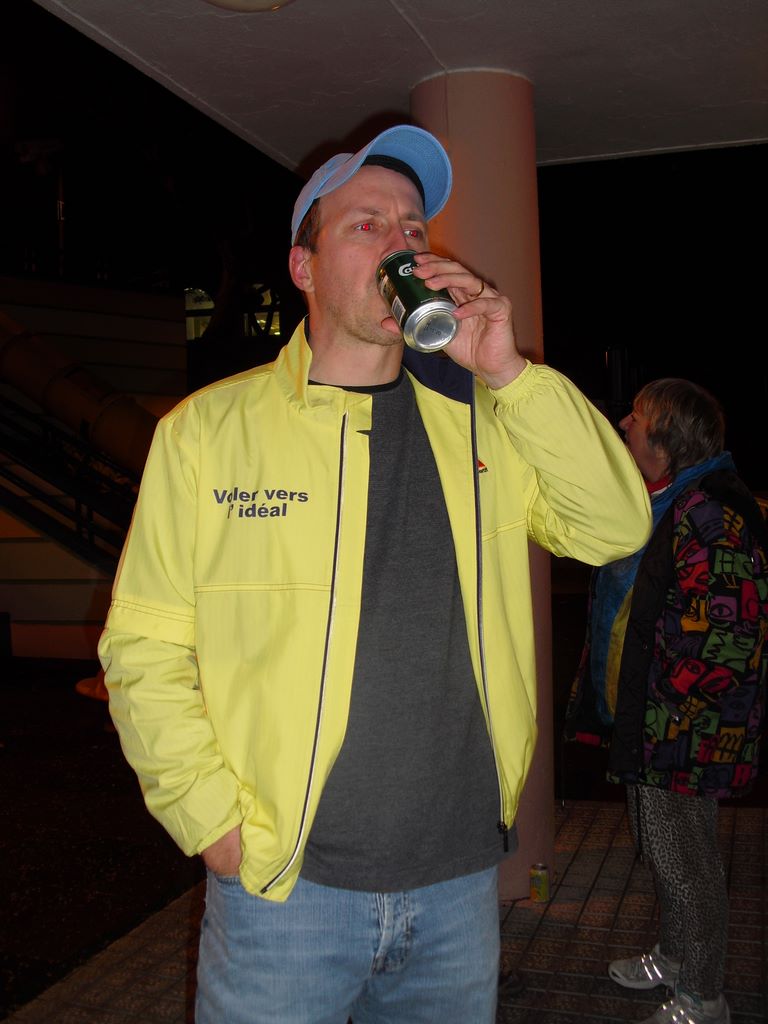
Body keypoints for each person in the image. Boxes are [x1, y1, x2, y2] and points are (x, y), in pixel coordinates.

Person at [99, 123, 651, 1024]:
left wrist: (510, 372)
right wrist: (216, 827)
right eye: (367, 225)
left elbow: (616, 526)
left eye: (413, 229)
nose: (402, 245)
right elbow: (143, 648)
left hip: (457, 885)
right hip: (285, 890)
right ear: (304, 266)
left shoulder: (480, 420)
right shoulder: (208, 433)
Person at [566, 378, 768, 1024]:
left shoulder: (710, 514)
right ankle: (677, 959)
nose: (624, 423)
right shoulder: (668, 501)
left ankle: (703, 996)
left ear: (667, 441)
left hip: (682, 727)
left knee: (688, 865)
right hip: (653, 719)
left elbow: (731, 637)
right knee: (663, 851)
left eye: (637, 417)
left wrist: (667, 710)